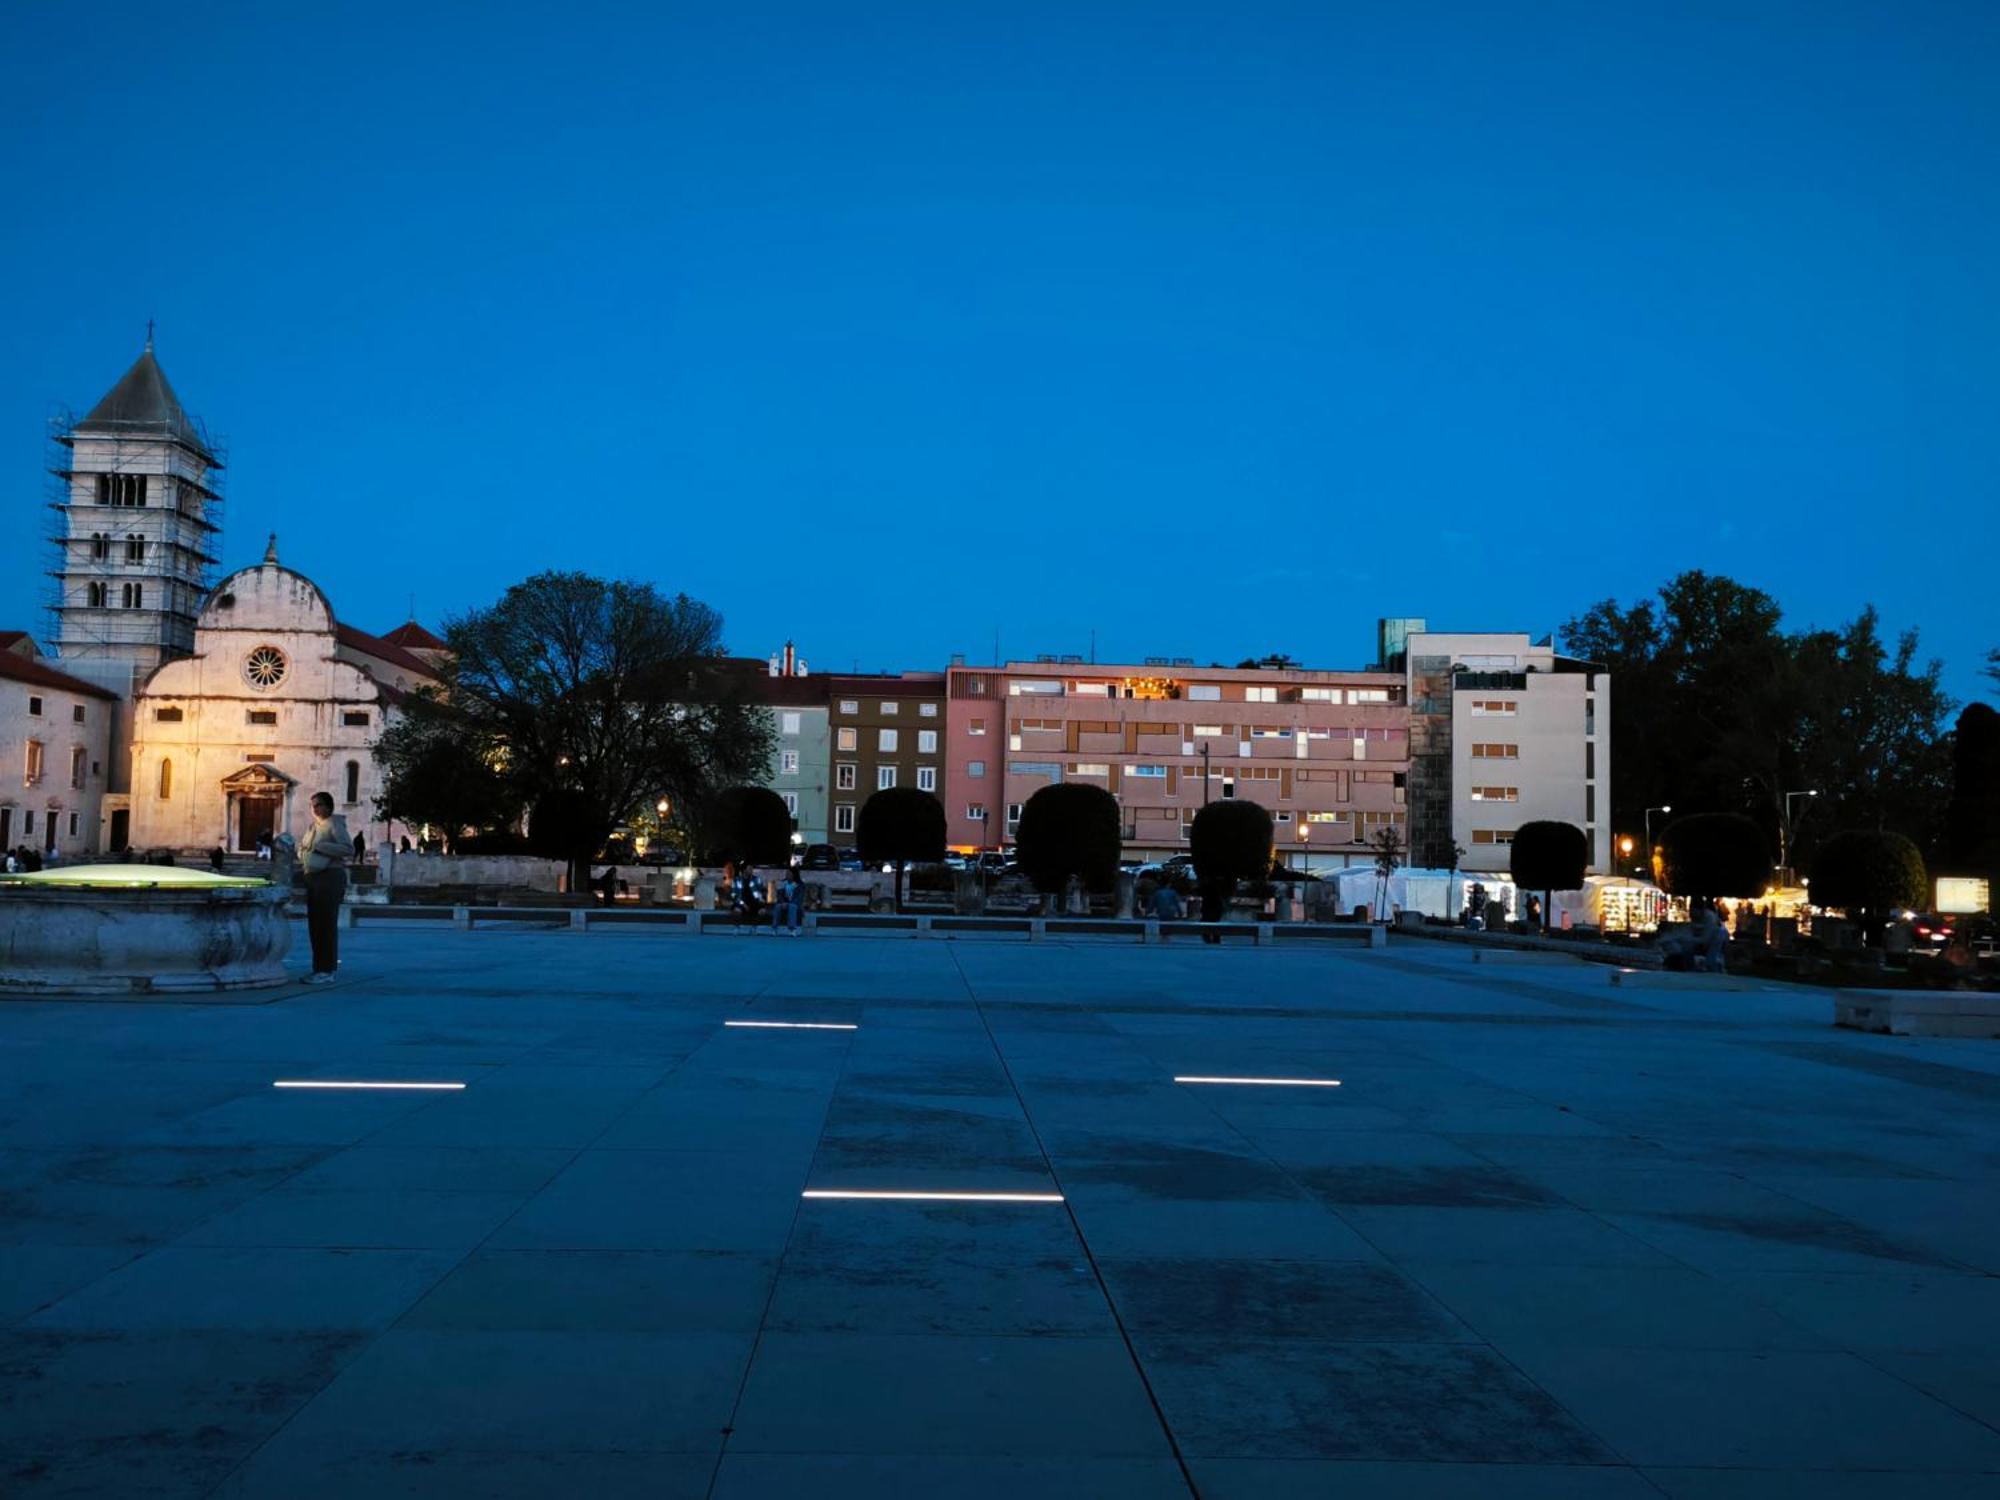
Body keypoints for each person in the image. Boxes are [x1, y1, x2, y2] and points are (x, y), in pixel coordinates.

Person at [298, 791, 351, 984]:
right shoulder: (313, 826)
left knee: (326, 924)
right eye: (312, 805)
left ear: (328, 806)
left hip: (330, 877)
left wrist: (322, 848)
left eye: (318, 804)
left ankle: (327, 970)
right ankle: (318, 968)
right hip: (313, 877)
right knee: (315, 925)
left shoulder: (335, 824)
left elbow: (348, 848)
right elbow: (305, 847)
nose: (315, 808)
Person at [771, 868, 804, 935]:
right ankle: (774, 928)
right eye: (786, 873)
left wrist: (789, 903)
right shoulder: (783, 883)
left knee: (792, 906)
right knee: (778, 906)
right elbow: (779, 894)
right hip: (783, 903)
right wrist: (783, 902)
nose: (787, 874)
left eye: (789, 873)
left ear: (793, 875)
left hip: (795, 904)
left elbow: (799, 898)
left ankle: (792, 930)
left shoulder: (800, 885)